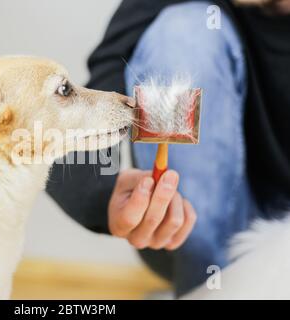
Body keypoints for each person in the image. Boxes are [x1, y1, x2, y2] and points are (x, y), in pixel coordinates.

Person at [46, 0, 290, 296]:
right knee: (183, 31)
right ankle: (203, 288)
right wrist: (106, 196)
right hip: (190, 237)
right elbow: (79, 124)